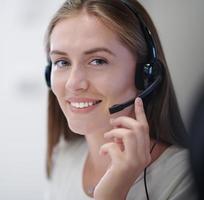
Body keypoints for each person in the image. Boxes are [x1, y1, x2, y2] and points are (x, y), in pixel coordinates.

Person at [43, 0, 196, 200]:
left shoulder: (184, 176)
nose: (73, 83)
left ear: (146, 74)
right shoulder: (64, 158)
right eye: (62, 62)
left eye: (98, 61)